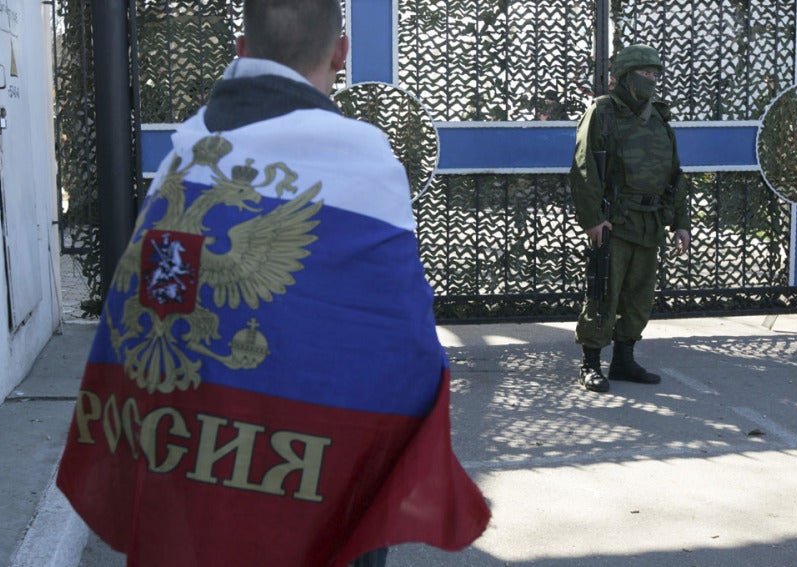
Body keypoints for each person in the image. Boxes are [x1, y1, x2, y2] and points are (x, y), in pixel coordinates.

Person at [55, 0, 490, 565]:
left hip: (197, 456)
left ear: (241, 51)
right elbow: (399, 337)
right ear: (340, 52)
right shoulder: (364, 158)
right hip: (320, 471)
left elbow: (152, 310)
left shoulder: (185, 154)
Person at [569, 44, 692, 393]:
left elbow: (675, 173)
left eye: (655, 74)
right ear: (624, 76)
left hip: (650, 221)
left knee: (639, 296)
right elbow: (584, 168)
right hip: (614, 222)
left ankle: (624, 359)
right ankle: (591, 362)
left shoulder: (659, 119)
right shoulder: (603, 112)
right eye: (645, 74)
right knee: (604, 292)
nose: (651, 80)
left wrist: (681, 222)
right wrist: (592, 219)